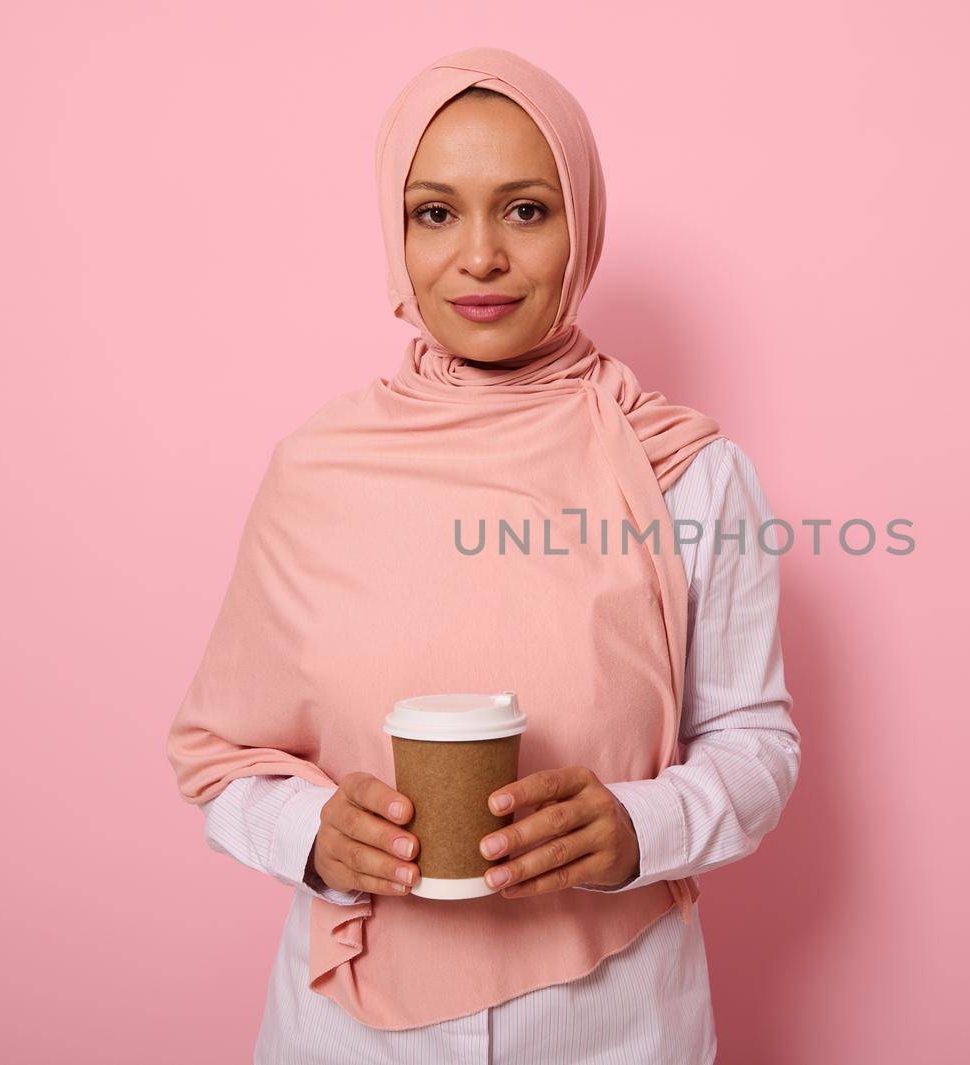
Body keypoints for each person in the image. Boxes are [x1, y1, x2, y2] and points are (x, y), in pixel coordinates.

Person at [167, 47, 799, 1065]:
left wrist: (640, 828)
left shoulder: (686, 471)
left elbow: (754, 742)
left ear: (581, 223)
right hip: (345, 1027)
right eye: (434, 212)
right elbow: (222, 758)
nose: (479, 259)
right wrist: (312, 840)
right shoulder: (320, 471)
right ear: (394, 231)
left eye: (524, 209)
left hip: (615, 1014)